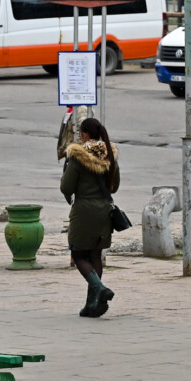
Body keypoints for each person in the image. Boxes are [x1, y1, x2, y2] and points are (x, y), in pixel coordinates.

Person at [61, 116, 118, 317]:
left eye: (80, 133)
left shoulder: (78, 156)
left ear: (85, 134)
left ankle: (100, 289)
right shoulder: (109, 154)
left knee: (78, 254)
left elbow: (66, 187)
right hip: (104, 211)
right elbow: (114, 187)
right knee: (95, 254)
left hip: (83, 212)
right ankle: (91, 305)